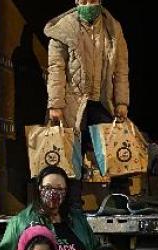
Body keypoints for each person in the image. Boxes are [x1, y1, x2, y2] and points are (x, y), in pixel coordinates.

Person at [45, 0, 129, 149]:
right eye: (84, 1)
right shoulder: (63, 29)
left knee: (108, 156)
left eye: (93, 1)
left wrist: (122, 102)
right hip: (73, 105)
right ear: (77, 2)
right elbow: (56, 70)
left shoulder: (113, 28)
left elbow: (121, 68)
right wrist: (55, 105)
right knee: (72, 156)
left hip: (102, 102)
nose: (89, 5)